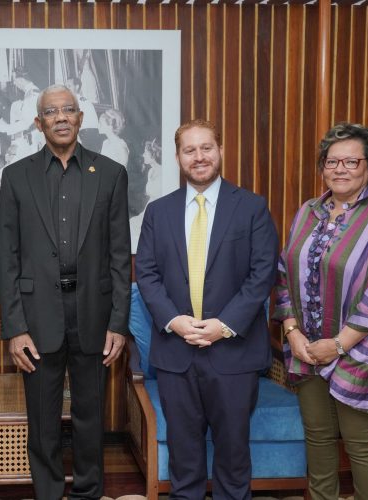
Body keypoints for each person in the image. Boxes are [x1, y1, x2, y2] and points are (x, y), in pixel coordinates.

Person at [274, 122, 368, 500]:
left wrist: (337, 345)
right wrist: (293, 333)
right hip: (306, 351)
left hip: (359, 353)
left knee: (360, 442)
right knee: (318, 438)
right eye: (331, 161)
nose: (339, 169)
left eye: (351, 161)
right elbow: (283, 273)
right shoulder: (308, 211)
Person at [0, 84, 131, 500]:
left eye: (68, 109)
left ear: (80, 118)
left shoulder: (110, 173)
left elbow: (119, 255)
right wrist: (15, 327)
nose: (60, 117)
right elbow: (11, 258)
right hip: (37, 316)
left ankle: (90, 493)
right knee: (42, 418)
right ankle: (49, 494)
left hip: (94, 311)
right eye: (51, 112)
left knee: (91, 416)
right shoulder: (16, 177)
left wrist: (118, 323)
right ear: (38, 123)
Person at [135, 119, 278, 500]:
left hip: (233, 352)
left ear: (220, 151)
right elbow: (146, 274)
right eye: (189, 150)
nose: (199, 157)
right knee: (184, 459)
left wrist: (224, 325)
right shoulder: (159, 212)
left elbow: (262, 274)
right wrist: (175, 321)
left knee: (233, 457)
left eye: (206, 148)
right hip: (175, 352)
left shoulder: (251, 207)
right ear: (179, 157)